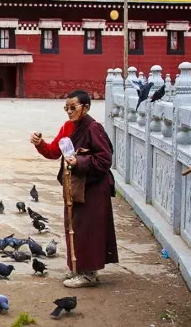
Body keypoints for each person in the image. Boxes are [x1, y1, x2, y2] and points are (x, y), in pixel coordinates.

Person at [31, 90, 119, 288]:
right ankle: (78, 268)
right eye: (67, 108)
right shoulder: (68, 127)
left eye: (73, 107)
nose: (69, 112)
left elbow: (105, 159)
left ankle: (89, 274)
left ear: (86, 108)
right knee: (74, 227)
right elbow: (54, 151)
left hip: (94, 187)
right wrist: (40, 144)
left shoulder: (93, 128)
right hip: (75, 186)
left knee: (89, 228)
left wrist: (80, 162)